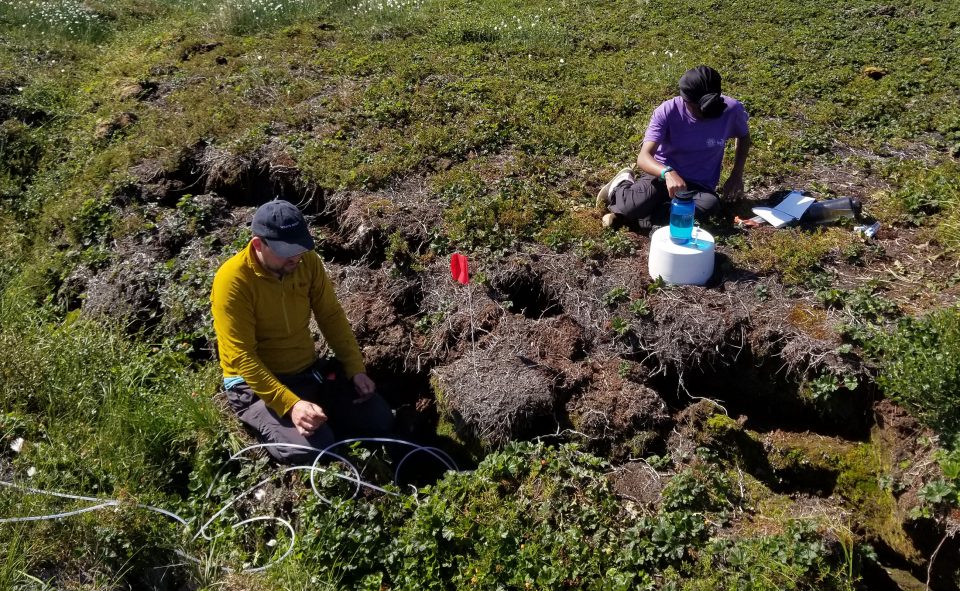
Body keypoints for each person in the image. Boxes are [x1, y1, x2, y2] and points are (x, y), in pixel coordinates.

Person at [211, 199, 393, 464]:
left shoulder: (307, 263)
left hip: (307, 371)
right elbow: (241, 356)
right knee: (316, 451)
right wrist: (291, 404)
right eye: (286, 251)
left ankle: (322, 420)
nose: (295, 257)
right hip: (253, 386)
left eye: (299, 248)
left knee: (380, 419)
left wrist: (355, 369)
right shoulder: (233, 281)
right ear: (258, 245)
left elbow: (331, 316)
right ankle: (283, 423)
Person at [597, 65, 751, 228]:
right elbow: (643, 157)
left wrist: (736, 174)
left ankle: (648, 217)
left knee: (710, 205)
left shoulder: (732, 110)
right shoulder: (667, 111)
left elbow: (744, 135)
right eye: (698, 109)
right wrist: (668, 172)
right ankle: (621, 186)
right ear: (686, 100)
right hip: (661, 177)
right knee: (633, 206)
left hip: (699, 186)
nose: (705, 114)